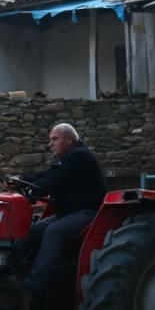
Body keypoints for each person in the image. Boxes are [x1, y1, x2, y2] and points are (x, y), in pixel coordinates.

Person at [9, 122, 107, 297]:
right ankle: (12, 268)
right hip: (70, 213)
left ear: (69, 140)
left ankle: (34, 283)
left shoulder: (80, 156)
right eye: (50, 140)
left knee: (55, 231)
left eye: (55, 139)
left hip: (88, 212)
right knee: (33, 230)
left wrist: (34, 188)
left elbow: (55, 181)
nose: (50, 144)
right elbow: (48, 175)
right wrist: (21, 179)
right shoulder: (68, 159)